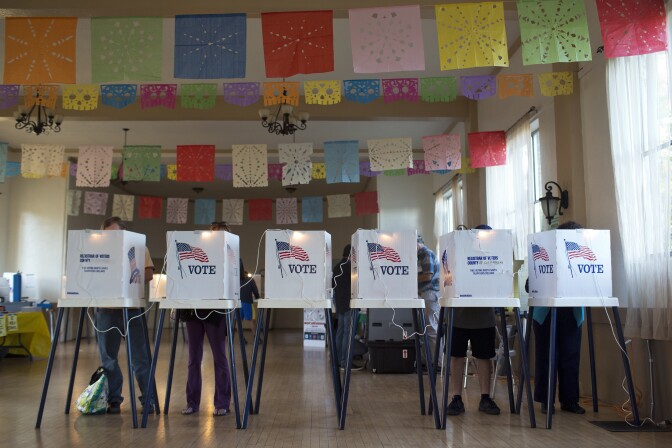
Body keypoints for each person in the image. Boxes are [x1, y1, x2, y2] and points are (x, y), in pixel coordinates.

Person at [96, 216, 155, 414]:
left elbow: (149, 274)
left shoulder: (139, 247)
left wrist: (131, 274)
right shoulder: (99, 249)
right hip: (106, 309)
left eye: (116, 233)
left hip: (132, 309)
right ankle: (114, 400)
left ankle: (149, 399)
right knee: (108, 358)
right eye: (108, 234)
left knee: (140, 358)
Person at [529, 221, 586, 415]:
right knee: (546, 357)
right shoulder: (545, 255)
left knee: (571, 357)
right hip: (546, 313)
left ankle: (570, 400)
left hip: (572, 312)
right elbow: (530, 285)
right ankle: (546, 400)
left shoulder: (580, 257)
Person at [445, 225, 501, 416]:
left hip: (483, 315)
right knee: (456, 356)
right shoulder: (460, 253)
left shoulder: (494, 255)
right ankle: (456, 397)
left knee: (484, 357)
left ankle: (485, 397)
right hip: (458, 314)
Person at [181, 221, 232, 416]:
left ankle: (222, 403)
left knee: (220, 357)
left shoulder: (232, 254)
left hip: (216, 312)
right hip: (193, 310)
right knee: (193, 358)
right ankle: (192, 403)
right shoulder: (197, 251)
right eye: (215, 234)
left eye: (222, 235)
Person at [417, 234, 440, 363]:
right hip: (425, 294)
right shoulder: (420, 256)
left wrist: (409, 279)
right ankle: (429, 361)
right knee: (426, 329)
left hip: (431, 294)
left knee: (431, 329)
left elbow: (427, 276)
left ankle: (437, 363)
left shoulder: (426, 254)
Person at [332, 244, 352, 369]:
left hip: (338, 301)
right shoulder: (350, 266)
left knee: (340, 331)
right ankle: (344, 362)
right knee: (347, 332)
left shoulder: (336, 266)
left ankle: (336, 360)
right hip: (349, 302)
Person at [240, 261, 260, 337]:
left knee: (239, 321)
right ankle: (256, 336)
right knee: (252, 320)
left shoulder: (237, 280)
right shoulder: (250, 279)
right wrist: (258, 297)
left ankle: (241, 338)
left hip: (238, 303)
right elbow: (255, 290)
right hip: (247, 302)